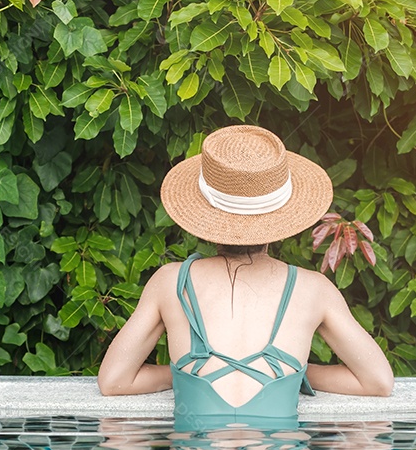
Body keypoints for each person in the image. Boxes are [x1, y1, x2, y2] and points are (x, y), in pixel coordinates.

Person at [97, 125, 393, 431]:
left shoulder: (170, 282)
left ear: (205, 214)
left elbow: (114, 381)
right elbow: (378, 381)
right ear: (282, 217)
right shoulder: (313, 290)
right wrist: (297, 372)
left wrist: (180, 374)